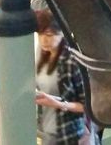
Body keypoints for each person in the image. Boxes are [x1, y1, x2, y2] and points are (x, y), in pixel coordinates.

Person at [35, 13, 91, 144]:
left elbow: (88, 106)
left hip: (69, 134)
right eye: (40, 34)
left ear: (61, 33)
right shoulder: (42, 56)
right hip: (46, 132)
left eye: (49, 35)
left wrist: (60, 104)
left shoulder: (72, 61)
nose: (44, 40)